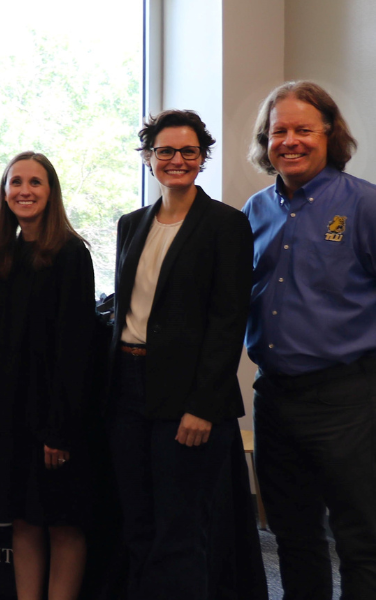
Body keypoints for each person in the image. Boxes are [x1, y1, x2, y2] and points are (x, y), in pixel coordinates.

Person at [108, 110, 261, 599]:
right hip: (128, 390)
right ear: (148, 158)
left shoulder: (226, 225)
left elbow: (227, 322)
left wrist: (203, 405)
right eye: (165, 151)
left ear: (202, 158)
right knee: (136, 522)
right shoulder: (132, 224)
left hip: (188, 399)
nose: (177, 160)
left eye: (188, 151)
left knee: (181, 530)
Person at [244, 81, 376, 600]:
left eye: (304, 129)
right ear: (266, 140)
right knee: (293, 538)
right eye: (279, 131)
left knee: (360, 541)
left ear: (330, 135)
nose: (290, 141)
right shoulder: (256, 210)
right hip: (273, 397)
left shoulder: (364, 205)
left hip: (346, 399)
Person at [0, 152, 95, 600]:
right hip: (10, 415)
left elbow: (75, 348)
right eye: (15, 182)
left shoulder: (69, 253)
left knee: (63, 522)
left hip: (54, 416)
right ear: (5, 193)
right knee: (23, 519)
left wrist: (59, 430)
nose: (24, 191)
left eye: (35, 183)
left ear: (51, 192)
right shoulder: (2, 255)